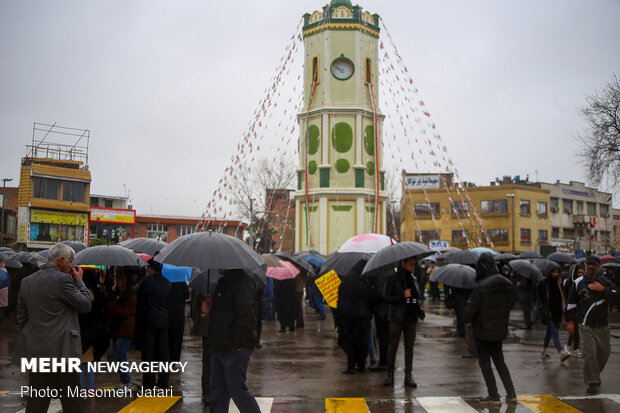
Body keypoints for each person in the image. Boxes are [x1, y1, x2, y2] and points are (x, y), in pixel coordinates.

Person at [13, 243, 92, 413]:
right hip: (63, 352)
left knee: (37, 401)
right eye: (70, 262)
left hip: (37, 352)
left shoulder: (27, 282)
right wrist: (79, 281)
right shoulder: (64, 280)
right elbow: (85, 304)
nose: (72, 266)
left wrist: (36, 337)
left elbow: (22, 318)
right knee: (72, 401)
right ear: (61, 260)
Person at [463, 252, 517, 404]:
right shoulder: (506, 283)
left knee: (485, 363)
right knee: (500, 362)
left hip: (482, 330)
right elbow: (511, 302)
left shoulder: (480, 286)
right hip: (500, 329)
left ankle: (493, 395)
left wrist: (467, 320)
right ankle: (511, 393)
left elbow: (469, 310)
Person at [209, 268, 261, 413]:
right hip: (220, 345)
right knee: (217, 392)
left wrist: (239, 344)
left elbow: (246, 315)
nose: (217, 265)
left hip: (234, 347)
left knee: (237, 390)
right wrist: (208, 309)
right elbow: (223, 313)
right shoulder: (223, 281)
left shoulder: (242, 282)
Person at [565, 255, 619, 394]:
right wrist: (570, 321)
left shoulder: (605, 282)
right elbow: (571, 303)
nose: (591, 267)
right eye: (589, 264)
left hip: (602, 324)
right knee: (589, 354)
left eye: (594, 265)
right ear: (585, 265)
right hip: (585, 325)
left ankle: (593, 373)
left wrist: (602, 290)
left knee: (604, 353)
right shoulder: (578, 283)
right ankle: (592, 381)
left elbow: (616, 298)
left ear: (598, 267)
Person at [382, 257, 425, 387]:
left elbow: (418, 297)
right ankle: (390, 375)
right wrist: (402, 295)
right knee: (393, 346)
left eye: (414, 264)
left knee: (409, 347)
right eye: (410, 264)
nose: (413, 267)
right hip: (396, 317)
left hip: (411, 317)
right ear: (403, 263)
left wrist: (419, 309)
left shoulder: (413, 279)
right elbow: (386, 297)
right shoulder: (392, 278)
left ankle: (408, 375)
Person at [136, 258, 171, 390]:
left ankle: (149, 383)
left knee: (148, 354)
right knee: (163, 353)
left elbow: (140, 299)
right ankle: (163, 382)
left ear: (151, 268)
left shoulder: (146, 282)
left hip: (148, 321)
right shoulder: (168, 283)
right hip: (163, 321)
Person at [108, 268, 137, 389]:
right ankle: (126, 381)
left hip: (125, 329)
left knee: (119, 355)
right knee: (120, 355)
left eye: (118, 277)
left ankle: (127, 381)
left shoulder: (129, 293)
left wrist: (112, 304)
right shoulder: (122, 291)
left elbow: (125, 312)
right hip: (120, 329)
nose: (116, 279)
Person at [537, 267, 570, 362]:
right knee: (555, 331)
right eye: (553, 272)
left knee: (550, 331)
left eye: (557, 272)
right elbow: (538, 295)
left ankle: (543, 350)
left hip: (557, 311)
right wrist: (541, 306)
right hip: (548, 311)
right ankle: (561, 353)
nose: (555, 274)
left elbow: (562, 296)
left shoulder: (559, 283)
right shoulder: (544, 282)